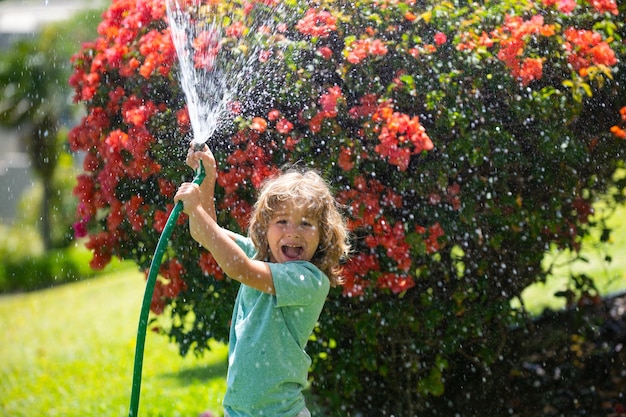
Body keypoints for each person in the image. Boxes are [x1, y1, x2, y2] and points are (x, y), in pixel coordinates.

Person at [174, 143, 351, 417]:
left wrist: (195, 208)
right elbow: (205, 233)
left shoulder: (309, 280)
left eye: (306, 223)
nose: (293, 232)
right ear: (264, 227)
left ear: (323, 235)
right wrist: (208, 178)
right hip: (240, 411)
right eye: (282, 221)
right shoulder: (257, 255)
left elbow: (240, 269)